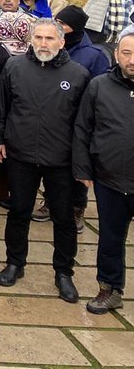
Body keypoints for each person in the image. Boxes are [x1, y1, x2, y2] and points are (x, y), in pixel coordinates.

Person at [0, 18, 90, 302]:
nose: (43, 44)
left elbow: (84, 123)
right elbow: (1, 107)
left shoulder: (78, 74)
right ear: (31, 41)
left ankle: (63, 272)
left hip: (60, 159)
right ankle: (15, 263)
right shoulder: (14, 67)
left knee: (63, 219)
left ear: (61, 42)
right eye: (39, 38)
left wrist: (81, 162)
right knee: (19, 211)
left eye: (50, 39)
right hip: (20, 154)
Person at [72, 26, 134, 314]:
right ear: (117, 54)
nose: (132, 59)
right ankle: (109, 288)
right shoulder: (99, 85)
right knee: (110, 237)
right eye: (127, 53)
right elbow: (83, 128)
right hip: (110, 179)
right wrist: (84, 169)